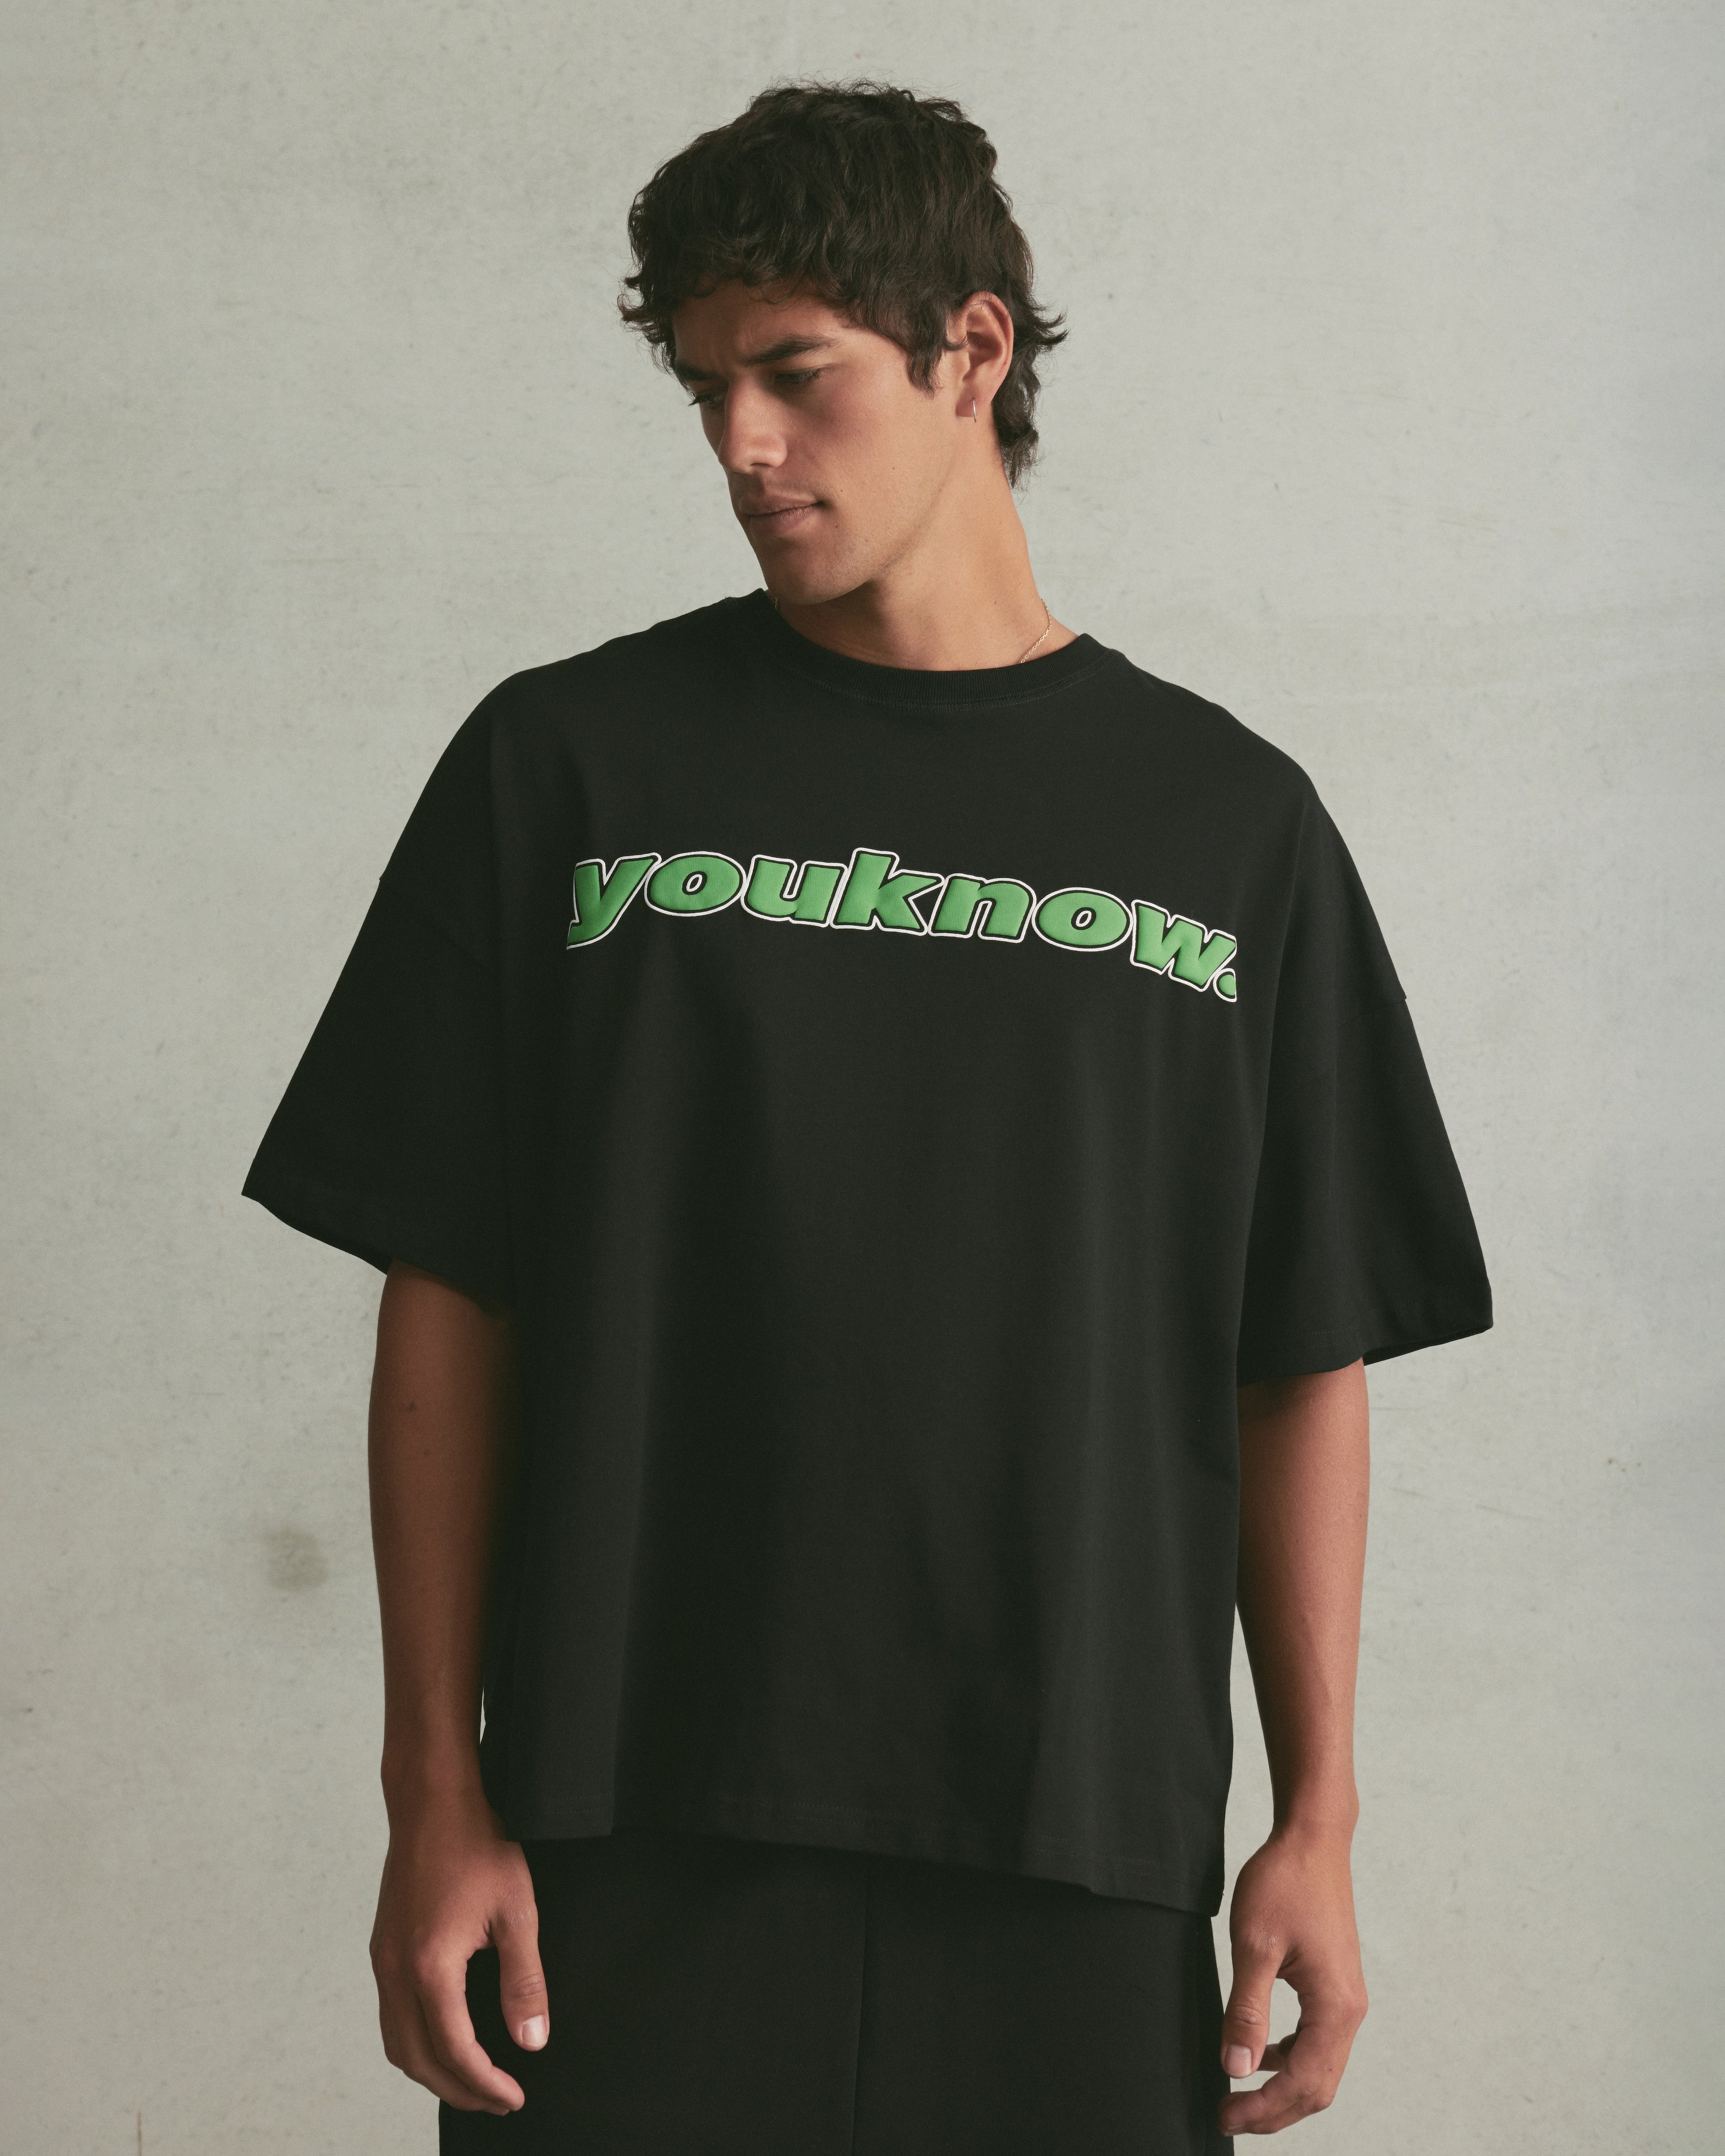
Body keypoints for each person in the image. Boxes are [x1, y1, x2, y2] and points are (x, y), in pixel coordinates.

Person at [243, 81, 1491, 2154]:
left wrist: (1319, 1815)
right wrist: (431, 1787)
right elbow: (448, 1297)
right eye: (705, 385)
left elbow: (1300, 1352)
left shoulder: (1225, 825)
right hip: (622, 1826)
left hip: (1077, 1837)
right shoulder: (569, 769)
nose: (740, 442)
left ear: (969, 350)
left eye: (795, 372)